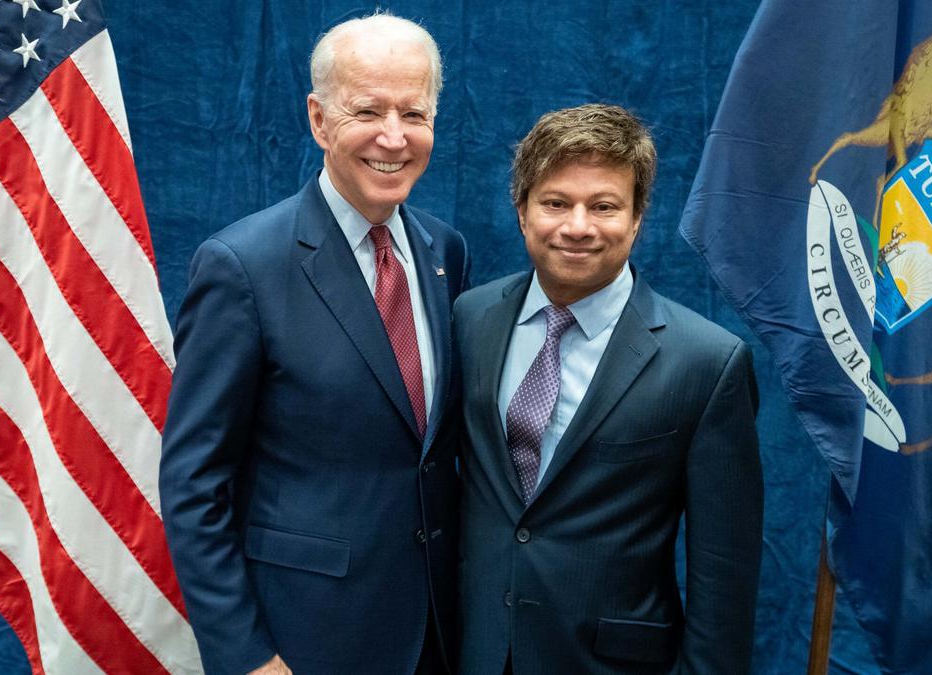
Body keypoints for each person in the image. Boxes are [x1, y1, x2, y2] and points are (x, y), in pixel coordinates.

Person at [159, 13, 469, 675]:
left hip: (437, 637)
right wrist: (247, 656)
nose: (394, 136)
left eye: (414, 113)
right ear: (318, 119)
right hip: (305, 644)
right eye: (368, 110)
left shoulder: (446, 252)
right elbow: (193, 483)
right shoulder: (241, 266)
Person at [454, 104, 763, 675]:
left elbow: (724, 575)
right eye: (555, 203)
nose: (578, 226)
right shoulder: (469, 320)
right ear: (522, 212)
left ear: (638, 217)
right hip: (472, 651)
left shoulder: (708, 363)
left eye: (604, 206)